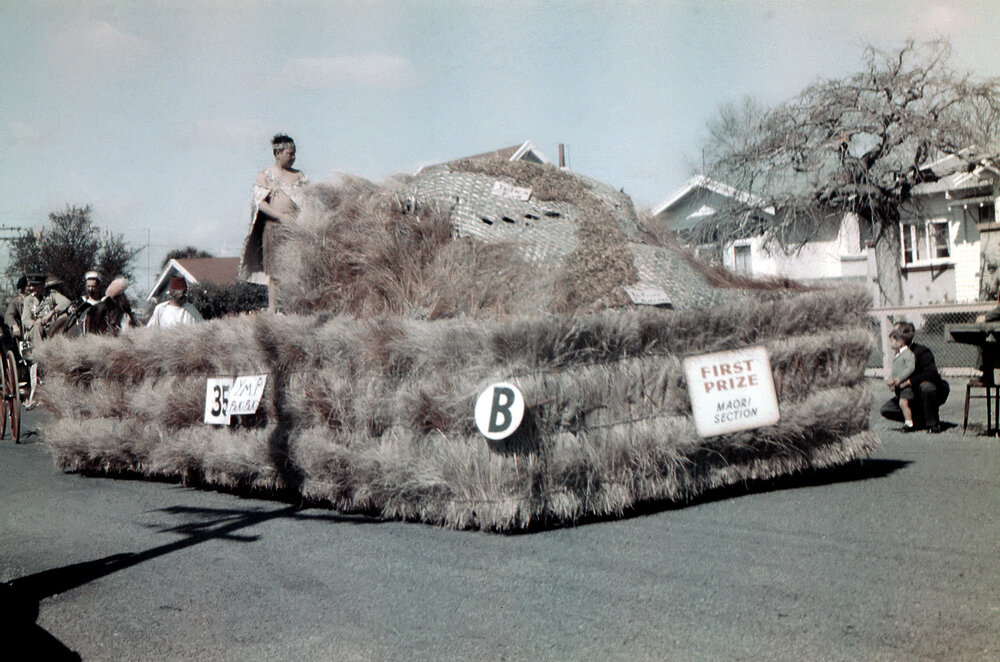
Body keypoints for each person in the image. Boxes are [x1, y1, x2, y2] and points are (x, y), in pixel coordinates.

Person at [239, 133, 308, 312]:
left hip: (295, 228)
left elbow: (308, 200)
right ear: (278, 153)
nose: (292, 157)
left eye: (294, 154)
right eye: (289, 154)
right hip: (274, 228)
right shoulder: (266, 175)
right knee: (275, 271)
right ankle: (273, 309)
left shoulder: (299, 175)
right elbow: (260, 203)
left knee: (295, 269)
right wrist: (280, 216)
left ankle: (292, 307)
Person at [880, 321, 950, 433]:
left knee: (926, 387)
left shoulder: (922, 351)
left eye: (895, 334)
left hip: (930, 389)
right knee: (886, 409)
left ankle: (933, 423)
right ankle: (918, 419)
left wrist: (909, 382)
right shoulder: (899, 355)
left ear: (902, 338)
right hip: (911, 394)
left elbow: (932, 374)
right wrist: (894, 384)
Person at [886, 329, 916, 432]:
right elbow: (896, 370)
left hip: (906, 386)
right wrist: (891, 380)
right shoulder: (898, 355)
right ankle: (908, 421)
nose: (890, 343)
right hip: (899, 385)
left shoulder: (908, 354)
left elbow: (910, 368)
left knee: (903, 403)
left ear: (899, 342)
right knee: (902, 403)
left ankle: (909, 424)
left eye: (892, 341)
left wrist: (899, 378)